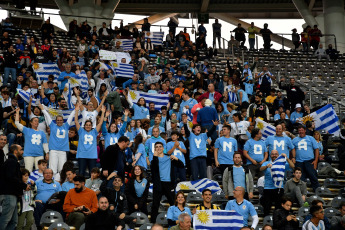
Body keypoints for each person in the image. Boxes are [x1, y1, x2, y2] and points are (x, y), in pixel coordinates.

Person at [151, 142, 184, 223]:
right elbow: (153, 168)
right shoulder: (154, 160)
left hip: (169, 184)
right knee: (155, 205)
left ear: (163, 148)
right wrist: (155, 156)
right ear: (155, 149)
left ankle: (176, 221)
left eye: (160, 147)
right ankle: (152, 223)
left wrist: (176, 159)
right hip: (158, 184)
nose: (158, 148)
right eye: (157, 147)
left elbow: (182, 165)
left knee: (173, 204)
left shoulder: (170, 158)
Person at [40, 104, 74, 177]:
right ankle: (52, 183)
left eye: (61, 120)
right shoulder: (52, 126)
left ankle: (61, 184)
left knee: (62, 169)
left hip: (63, 150)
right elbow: (48, 116)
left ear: (63, 121)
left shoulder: (66, 126)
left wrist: (75, 110)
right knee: (53, 168)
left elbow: (70, 117)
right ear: (55, 121)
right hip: (54, 150)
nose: (59, 121)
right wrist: (43, 109)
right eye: (58, 120)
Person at [0, 144, 28, 230]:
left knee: (13, 221)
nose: (22, 152)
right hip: (8, 195)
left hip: (12, 195)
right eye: (20, 150)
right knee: (6, 219)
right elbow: (10, 177)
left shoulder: (12, 162)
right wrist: (24, 185)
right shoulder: (11, 162)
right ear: (15, 151)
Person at [260, 150, 294, 216]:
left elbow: (292, 166)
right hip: (267, 188)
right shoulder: (266, 163)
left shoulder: (282, 163)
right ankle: (266, 221)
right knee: (266, 207)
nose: (274, 155)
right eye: (272, 154)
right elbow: (260, 169)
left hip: (279, 188)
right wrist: (267, 166)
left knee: (278, 208)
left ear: (278, 155)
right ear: (270, 155)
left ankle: (277, 221)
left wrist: (286, 158)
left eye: (276, 154)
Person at [14, 107, 49, 172]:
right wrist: (17, 112)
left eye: (38, 121)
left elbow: (45, 144)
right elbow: (17, 123)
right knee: (28, 171)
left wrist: (47, 153)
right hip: (28, 154)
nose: (37, 122)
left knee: (40, 172)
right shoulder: (27, 130)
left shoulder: (42, 133)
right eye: (35, 121)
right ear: (31, 122)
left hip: (39, 155)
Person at [75, 104, 105, 176]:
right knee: (81, 172)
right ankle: (81, 187)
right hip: (82, 155)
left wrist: (103, 112)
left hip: (92, 155)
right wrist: (76, 111)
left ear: (92, 126)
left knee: (93, 174)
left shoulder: (94, 132)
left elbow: (100, 123)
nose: (88, 126)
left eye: (89, 125)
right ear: (84, 126)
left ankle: (92, 187)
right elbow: (76, 121)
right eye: (86, 125)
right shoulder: (81, 131)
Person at [292, 125, 320, 191]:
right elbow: (291, 149)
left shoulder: (311, 138)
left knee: (313, 176)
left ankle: (317, 191)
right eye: (299, 130)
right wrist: (293, 158)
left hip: (310, 161)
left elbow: (316, 149)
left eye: (302, 130)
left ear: (305, 131)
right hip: (299, 162)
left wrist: (316, 160)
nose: (301, 132)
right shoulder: (294, 140)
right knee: (300, 178)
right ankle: (301, 192)